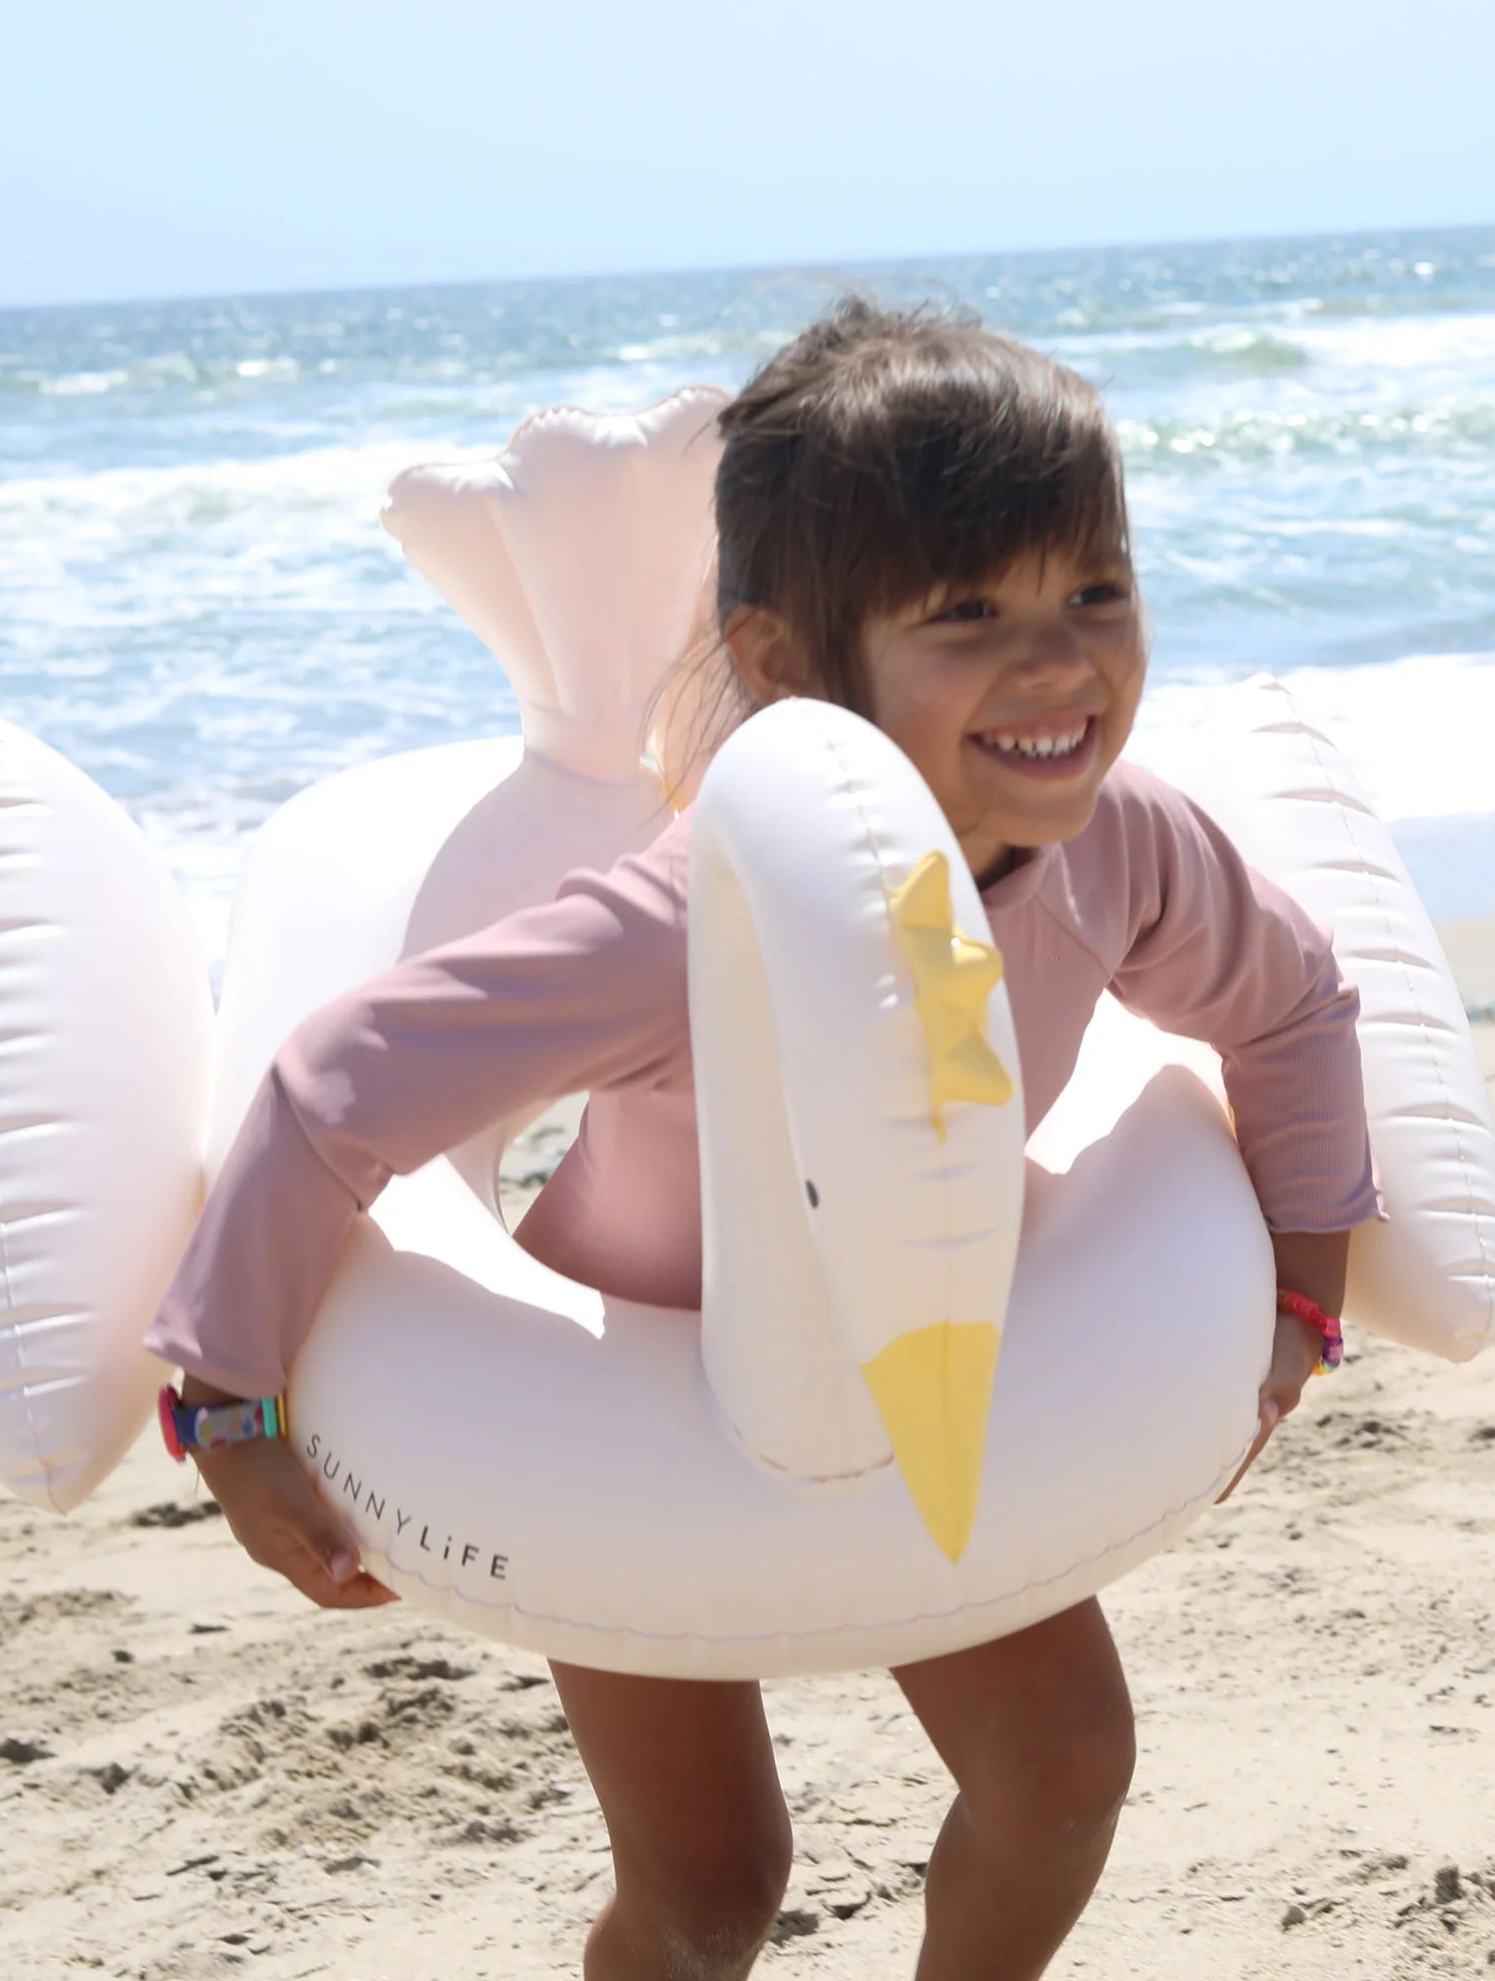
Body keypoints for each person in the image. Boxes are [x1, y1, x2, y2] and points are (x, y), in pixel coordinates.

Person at [145, 297, 1379, 1981]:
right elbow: (336, 1085)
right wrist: (231, 1405)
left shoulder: (1123, 851)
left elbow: (1294, 1006)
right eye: (968, 614)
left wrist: (1302, 1293)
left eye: (1095, 588)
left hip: (944, 1355)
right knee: (717, 1886)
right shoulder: (682, 930)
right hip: (629, 1394)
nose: (1058, 662)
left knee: (1064, 1771)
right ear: (791, 662)